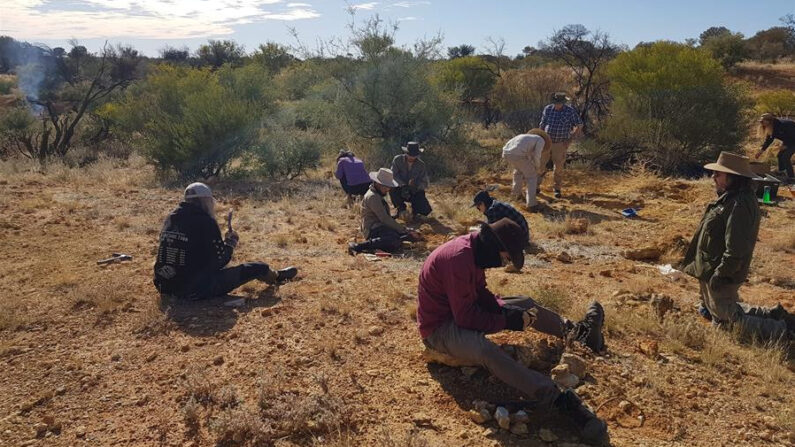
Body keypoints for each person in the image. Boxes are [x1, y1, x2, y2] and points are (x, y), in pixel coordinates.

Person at [417, 218, 608, 445]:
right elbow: (466, 318)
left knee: (524, 303)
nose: (502, 262)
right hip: (440, 328)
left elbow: (480, 293)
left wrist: (510, 311)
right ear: (494, 247)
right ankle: (556, 399)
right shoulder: (459, 258)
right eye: (505, 257)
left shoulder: (474, 251)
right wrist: (508, 320)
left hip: (460, 312)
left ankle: (579, 333)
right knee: (485, 350)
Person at [681, 152, 794, 341]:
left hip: (721, 271)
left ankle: (781, 329)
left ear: (732, 177)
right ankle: (773, 314)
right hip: (711, 268)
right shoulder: (729, 198)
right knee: (712, 311)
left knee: (728, 324)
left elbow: (736, 248)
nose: (713, 178)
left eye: (718, 174)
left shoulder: (739, 205)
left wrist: (722, 273)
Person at [154, 183, 297, 300]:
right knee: (256, 267)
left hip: (164, 286)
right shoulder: (206, 221)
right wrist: (230, 243)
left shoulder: (171, 218)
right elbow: (219, 261)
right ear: (205, 201)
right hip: (193, 290)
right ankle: (277, 277)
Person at [348, 168, 418, 255]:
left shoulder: (377, 194)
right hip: (372, 229)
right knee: (393, 239)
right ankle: (358, 246)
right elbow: (384, 219)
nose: (388, 189)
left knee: (399, 237)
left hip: (380, 227)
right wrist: (404, 230)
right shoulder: (373, 196)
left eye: (389, 186)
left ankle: (379, 246)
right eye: (385, 186)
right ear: (377, 183)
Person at [539, 92, 583, 198]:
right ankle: (535, 186)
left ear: (563, 102)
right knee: (540, 164)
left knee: (558, 167)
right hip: (546, 142)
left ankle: (557, 189)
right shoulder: (548, 109)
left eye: (559, 102)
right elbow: (542, 123)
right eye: (556, 102)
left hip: (560, 143)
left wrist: (570, 140)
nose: (557, 104)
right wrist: (540, 138)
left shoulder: (569, 111)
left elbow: (580, 124)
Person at [501, 129, 551, 211]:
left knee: (518, 173)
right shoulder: (541, 140)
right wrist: (537, 168)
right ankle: (532, 204)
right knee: (532, 177)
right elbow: (537, 156)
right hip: (517, 155)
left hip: (506, 153)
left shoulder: (525, 137)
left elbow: (527, 156)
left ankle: (516, 196)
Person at [390, 141, 432, 220]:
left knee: (425, 210)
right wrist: (402, 185)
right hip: (400, 188)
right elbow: (393, 175)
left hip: (414, 190)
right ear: (406, 153)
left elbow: (424, 182)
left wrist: (416, 187)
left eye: (414, 155)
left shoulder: (421, 165)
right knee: (392, 189)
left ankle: (416, 213)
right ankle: (401, 210)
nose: (412, 157)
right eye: (410, 155)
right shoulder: (397, 160)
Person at [756, 113, 795, 183]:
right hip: (789, 140)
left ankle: (791, 177)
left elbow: (792, 136)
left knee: (785, 157)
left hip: (793, 141)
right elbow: (769, 140)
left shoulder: (781, 125)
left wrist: (787, 145)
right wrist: (761, 151)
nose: (761, 123)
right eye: (760, 122)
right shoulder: (771, 127)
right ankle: (782, 172)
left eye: (762, 122)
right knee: (780, 155)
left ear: (769, 121)